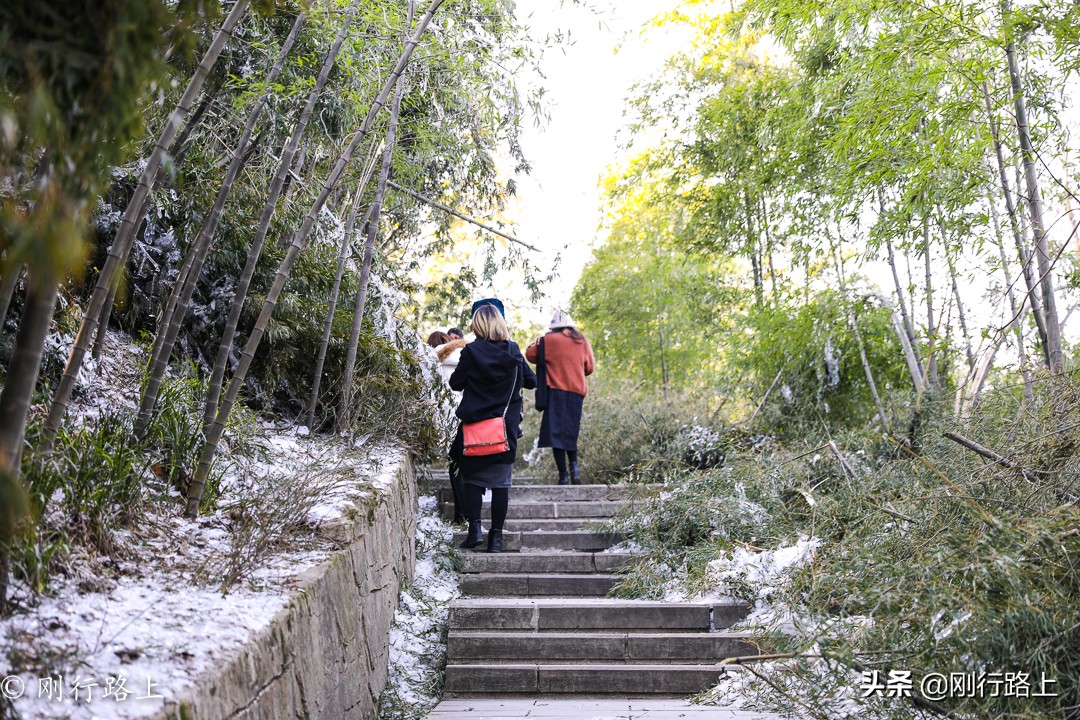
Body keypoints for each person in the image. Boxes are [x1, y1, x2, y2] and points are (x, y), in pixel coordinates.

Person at [448, 302, 536, 552]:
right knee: (501, 484)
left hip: (475, 427)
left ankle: (474, 529)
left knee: (472, 479)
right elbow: (532, 381)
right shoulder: (514, 351)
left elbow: (456, 383)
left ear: (477, 326)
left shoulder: (471, 352)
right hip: (504, 429)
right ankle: (495, 539)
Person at [526, 310, 595, 485]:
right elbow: (589, 368)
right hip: (576, 392)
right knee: (570, 432)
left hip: (554, 392)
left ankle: (563, 476)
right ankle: (575, 469)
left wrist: (540, 340)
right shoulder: (581, 341)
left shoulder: (547, 340)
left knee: (555, 433)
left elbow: (530, 355)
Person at [427, 330, 467, 523]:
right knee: (468, 465)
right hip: (469, 414)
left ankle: (461, 515)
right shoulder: (467, 356)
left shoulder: (432, 361)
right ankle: (468, 515)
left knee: (456, 465)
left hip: (449, 419)